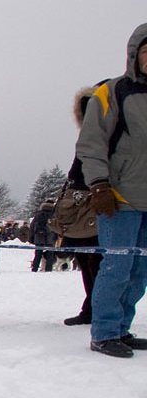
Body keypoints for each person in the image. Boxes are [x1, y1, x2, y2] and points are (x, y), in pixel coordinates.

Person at [78, 23, 147, 357]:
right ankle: (104, 332)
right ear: (135, 55)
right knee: (117, 267)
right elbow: (91, 144)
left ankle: (121, 328)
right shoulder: (112, 92)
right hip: (119, 199)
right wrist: (99, 184)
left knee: (140, 271)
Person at [61, 85, 105, 326]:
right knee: (87, 259)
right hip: (82, 203)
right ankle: (91, 307)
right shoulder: (88, 136)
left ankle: (97, 309)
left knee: (95, 260)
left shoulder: (104, 134)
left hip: (96, 200)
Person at [30, 199, 57, 272]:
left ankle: (34, 269)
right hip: (50, 236)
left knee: (38, 254)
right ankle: (48, 270)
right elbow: (57, 226)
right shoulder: (54, 214)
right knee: (50, 255)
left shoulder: (38, 214)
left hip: (38, 236)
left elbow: (32, 226)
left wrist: (32, 236)